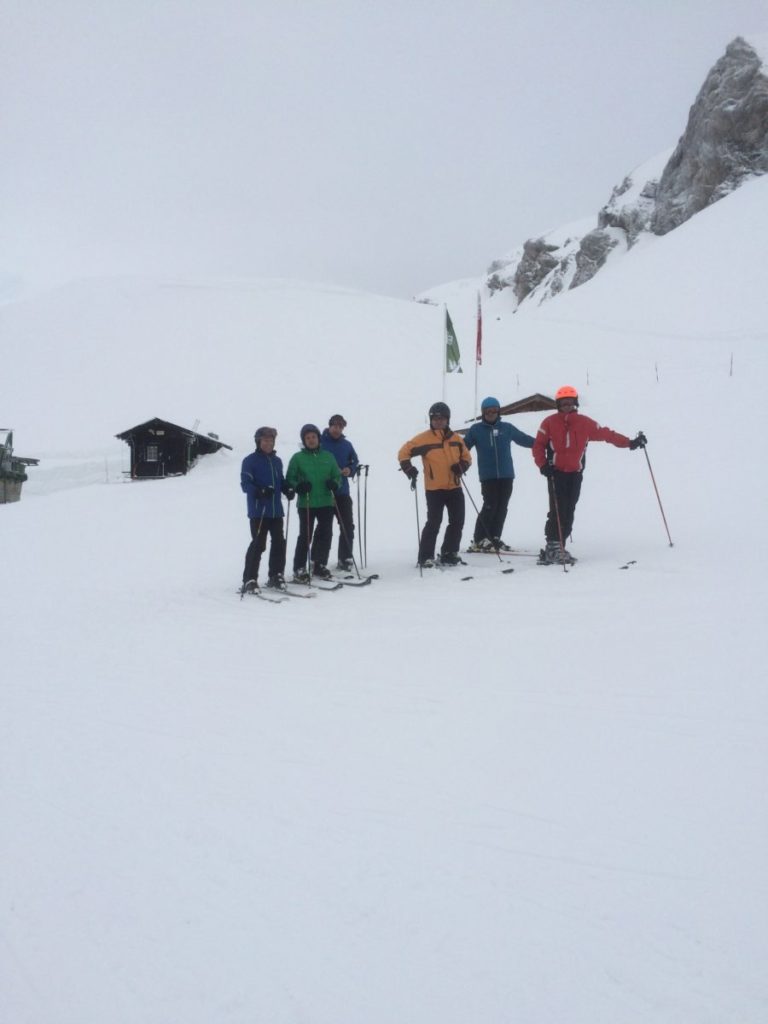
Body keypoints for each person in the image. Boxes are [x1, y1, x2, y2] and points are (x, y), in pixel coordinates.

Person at [532, 385, 647, 563]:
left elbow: (607, 435)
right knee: (558, 509)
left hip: (575, 474)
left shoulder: (585, 423)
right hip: (555, 473)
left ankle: (558, 546)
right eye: (563, 403)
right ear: (558, 405)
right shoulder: (549, 422)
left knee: (569, 509)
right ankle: (553, 546)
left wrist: (630, 443)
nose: (567, 406)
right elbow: (538, 445)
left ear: (576, 404)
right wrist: (543, 465)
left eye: (570, 403)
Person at [398, 401, 472, 568]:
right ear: (431, 420)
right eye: (435, 418)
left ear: (447, 419)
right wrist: (409, 469)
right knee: (434, 523)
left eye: (442, 418)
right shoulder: (424, 439)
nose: (438, 421)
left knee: (457, 521)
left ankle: (449, 553)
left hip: (455, 487)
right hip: (434, 489)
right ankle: (425, 558)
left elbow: (467, 458)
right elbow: (403, 452)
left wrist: (461, 466)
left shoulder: (456, 439)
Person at [463, 396, 535, 552]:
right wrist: (455, 460)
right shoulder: (476, 430)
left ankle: (494, 538)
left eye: (494, 410)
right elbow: (463, 447)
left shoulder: (507, 428)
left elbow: (523, 439)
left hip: (506, 474)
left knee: (502, 507)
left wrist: (542, 444)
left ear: (498, 412)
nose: (491, 413)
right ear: (483, 412)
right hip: (488, 476)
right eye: (487, 411)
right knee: (490, 505)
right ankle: (480, 539)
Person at [239, 426, 294, 592]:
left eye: (271, 440)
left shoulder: (277, 461)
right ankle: (249, 579)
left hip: (276, 511)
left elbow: (280, 480)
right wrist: (260, 491)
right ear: (258, 442)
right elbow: (245, 484)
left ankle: (276, 575)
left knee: (279, 543)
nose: (268, 443)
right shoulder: (250, 461)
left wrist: (287, 488)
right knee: (258, 544)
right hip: (259, 511)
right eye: (265, 440)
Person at [285, 423, 342, 582]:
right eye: (308, 438)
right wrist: (298, 486)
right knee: (306, 535)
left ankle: (319, 564)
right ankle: (299, 568)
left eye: (313, 437)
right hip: (307, 503)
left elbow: (337, 476)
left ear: (318, 438)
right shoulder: (297, 458)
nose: (311, 440)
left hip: (326, 501)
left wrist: (334, 484)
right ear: (304, 440)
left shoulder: (328, 456)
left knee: (326, 534)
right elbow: (290, 478)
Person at [320, 414, 360, 572]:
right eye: (335, 426)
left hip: (342, 491)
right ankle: (319, 561)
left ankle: (345, 558)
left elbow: (354, 461)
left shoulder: (347, 445)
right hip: (323, 492)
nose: (337, 429)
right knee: (324, 528)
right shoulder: (320, 442)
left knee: (347, 526)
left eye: (340, 427)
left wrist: (350, 469)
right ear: (329, 426)